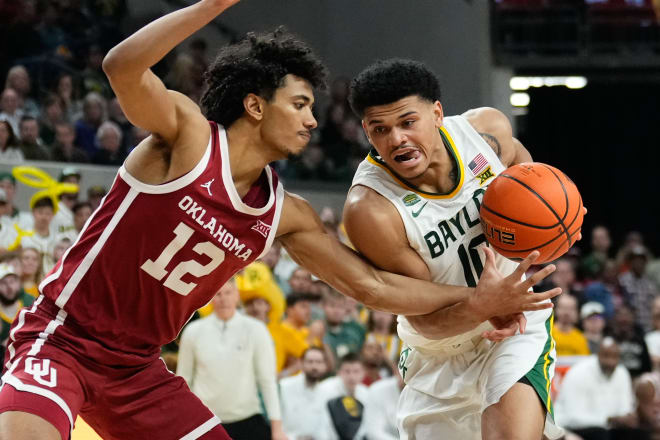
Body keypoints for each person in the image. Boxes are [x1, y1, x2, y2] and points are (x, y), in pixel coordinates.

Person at [0, 2, 559, 439]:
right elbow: (121, 66)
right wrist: (211, 6)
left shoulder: (284, 213)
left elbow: (374, 285)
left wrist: (474, 301)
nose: (314, 119)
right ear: (255, 105)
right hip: (62, 342)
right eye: (300, 104)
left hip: (138, 372)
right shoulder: (187, 139)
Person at [343, 58, 570, 439]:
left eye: (407, 122)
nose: (396, 138)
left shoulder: (487, 133)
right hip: (440, 349)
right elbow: (425, 318)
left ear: (436, 113)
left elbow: (529, 174)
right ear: (367, 131)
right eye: (380, 129)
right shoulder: (371, 210)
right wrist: (483, 305)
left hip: (514, 325)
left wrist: (554, 230)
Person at [177, 279, 285, 440]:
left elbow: (267, 381)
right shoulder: (193, 332)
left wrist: (277, 429)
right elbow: (184, 380)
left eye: (228, 293)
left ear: (237, 295)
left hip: (247, 419)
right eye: (218, 294)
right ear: (210, 298)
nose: (223, 299)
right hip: (206, 421)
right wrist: (182, 423)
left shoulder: (256, 329)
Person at [554, 337, 642, 440]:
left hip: (608, 428)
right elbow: (572, 417)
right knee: (601, 434)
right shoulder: (579, 373)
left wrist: (626, 418)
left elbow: (625, 408)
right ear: (598, 355)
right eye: (606, 356)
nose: (610, 362)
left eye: (615, 357)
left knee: (638, 433)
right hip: (572, 427)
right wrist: (607, 420)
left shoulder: (622, 373)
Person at [280, 346, 329, 439]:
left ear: (325, 366)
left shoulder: (326, 393)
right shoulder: (284, 387)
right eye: (310, 362)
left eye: (318, 362)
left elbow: (325, 430)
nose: (314, 367)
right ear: (301, 363)